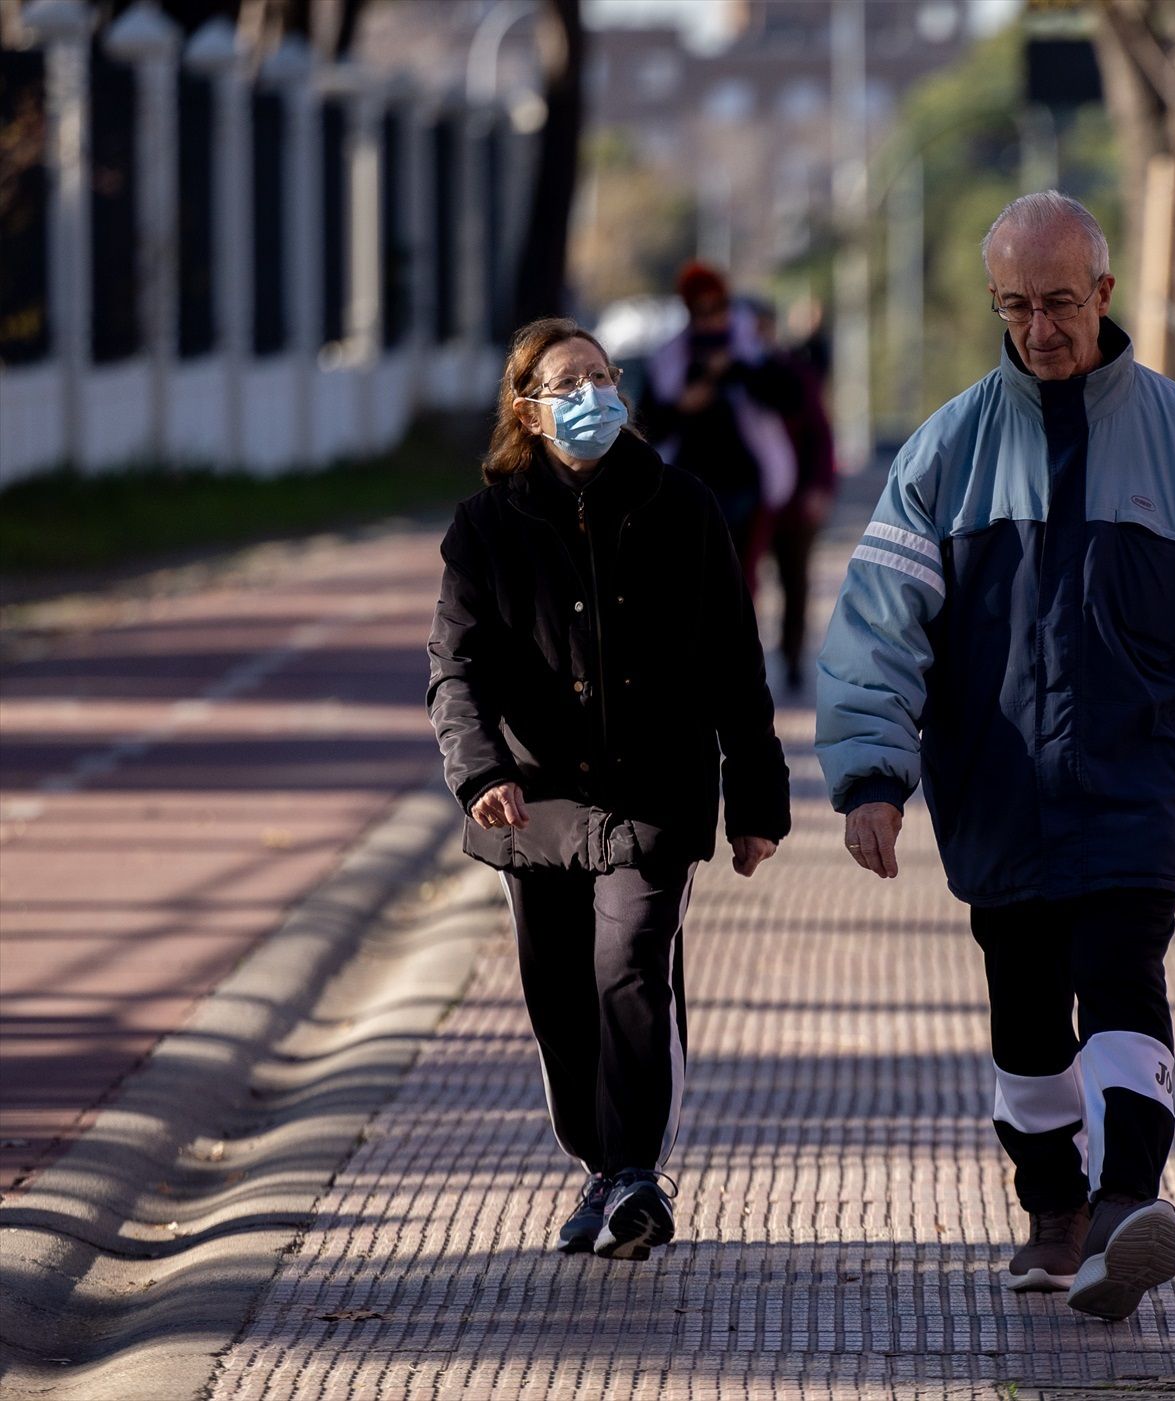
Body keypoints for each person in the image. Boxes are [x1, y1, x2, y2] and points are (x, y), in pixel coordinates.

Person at [815, 193, 1175, 1321]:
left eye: (1058, 303)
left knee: (1125, 977)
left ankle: (1129, 1204)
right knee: (1029, 1020)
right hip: (1000, 790)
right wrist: (872, 778)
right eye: (1016, 306)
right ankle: (1056, 1210)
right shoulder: (947, 451)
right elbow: (879, 628)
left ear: (1105, 294)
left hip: (1142, 787)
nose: (1039, 328)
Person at [428, 317, 789, 1261]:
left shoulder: (684, 506)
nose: (590, 393)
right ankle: (597, 1163)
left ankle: (634, 1171)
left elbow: (733, 663)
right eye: (566, 382)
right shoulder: (485, 526)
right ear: (528, 411)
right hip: (532, 801)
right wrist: (481, 772)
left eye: (602, 375)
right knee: (560, 993)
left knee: (629, 961)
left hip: (654, 791)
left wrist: (757, 798)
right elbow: (453, 670)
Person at [642, 263, 800, 589]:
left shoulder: (752, 349)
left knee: (739, 579)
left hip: (745, 482)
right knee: (694, 578)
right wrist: (683, 405)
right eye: (699, 311)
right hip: (690, 479)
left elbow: (790, 399)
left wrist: (737, 370)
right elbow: (648, 425)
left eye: (716, 308)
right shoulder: (671, 358)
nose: (709, 319)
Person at [740, 294, 838, 693]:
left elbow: (819, 432)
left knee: (795, 581)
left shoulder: (794, 372)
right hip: (748, 500)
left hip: (795, 500)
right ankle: (745, 663)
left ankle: (794, 660)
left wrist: (819, 486)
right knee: (743, 584)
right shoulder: (732, 373)